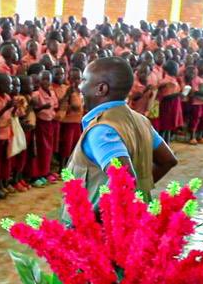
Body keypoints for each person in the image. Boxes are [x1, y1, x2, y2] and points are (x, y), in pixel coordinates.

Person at [65, 57, 178, 206]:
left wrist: (94, 216)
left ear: (101, 89)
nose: (80, 86)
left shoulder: (102, 130)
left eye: (84, 80)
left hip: (105, 226)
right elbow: (167, 160)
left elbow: (125, 181)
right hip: (136, 218)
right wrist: (139, 191)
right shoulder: (140, 120)